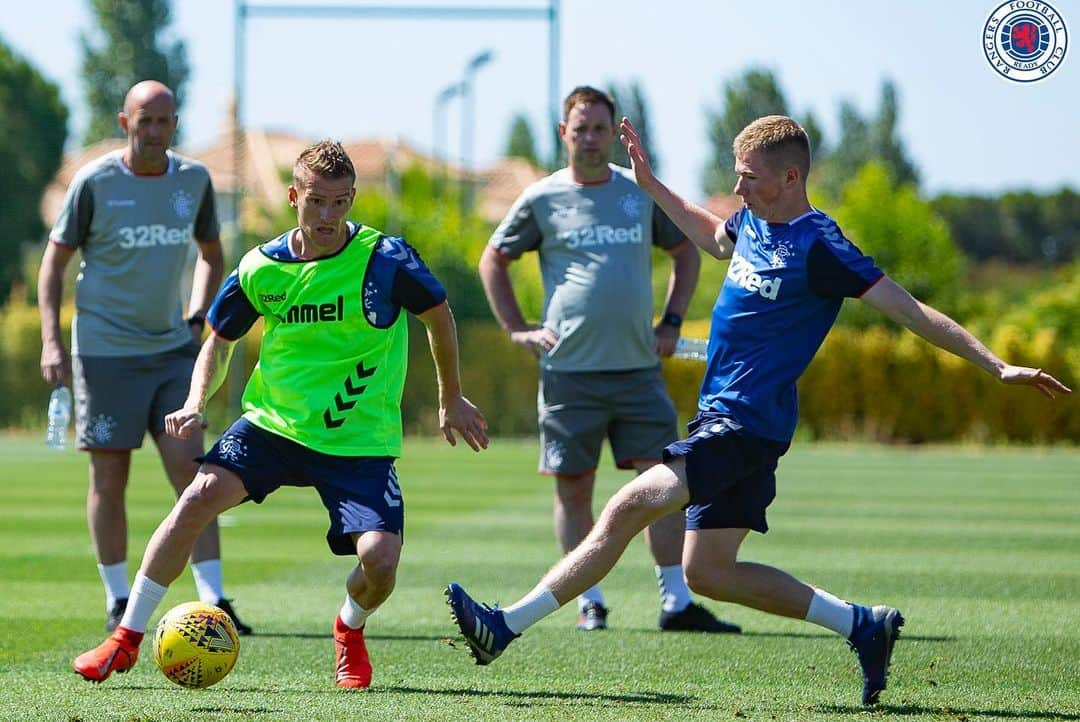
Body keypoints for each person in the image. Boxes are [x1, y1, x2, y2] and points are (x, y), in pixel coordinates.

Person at [448, 115, 1071, 705]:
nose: (736, 186)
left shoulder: (821, 245)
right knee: (710, 573)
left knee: (627, 505)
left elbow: (912, 312)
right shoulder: (749, 222)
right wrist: (650, 183)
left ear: (789, 178)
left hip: (744, 424)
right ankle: (864, 624)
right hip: (729, 420)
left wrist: (995, 365)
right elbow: (705, 233)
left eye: (747, 174)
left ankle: (504, 626)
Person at [71, 139, 489, 689]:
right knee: (195, 498)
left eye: (340, 202)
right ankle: (125, 639)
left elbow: (438, 315)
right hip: (273, 425)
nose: (328, 215)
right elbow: (218, 342)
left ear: (352, 199)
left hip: (357, 439)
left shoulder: (385, 260)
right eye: (316, 201)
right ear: (294, 196)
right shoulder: (260, 268)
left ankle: (349, 627)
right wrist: (196, 401)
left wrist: (449, 395)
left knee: (381, 563)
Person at [478, 85, 738, 634]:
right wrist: (518, 329)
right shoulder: (542, 198)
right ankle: (588, 600)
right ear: (562, 134)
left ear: (614, 131)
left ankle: (676, 601)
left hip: (638, 370)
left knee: (663, 483)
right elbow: (493, 260)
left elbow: (685, 250)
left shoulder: (636, 192)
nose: (591, 138)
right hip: (569, 374)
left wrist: (671, 322)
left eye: (600, 128)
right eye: (581, 128)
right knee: (573, 488)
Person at [38, 80, 250, 635]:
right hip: (105, 352)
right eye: (143, 120)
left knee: (196, 474)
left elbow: (211, 253)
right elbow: (53, 264)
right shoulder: (94, 183)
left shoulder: (194, 180)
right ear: (124, 121)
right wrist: (51, 340)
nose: (153, 130)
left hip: (171, 350)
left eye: (163, 121)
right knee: (110, 477)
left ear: (175, 124)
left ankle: (215, 599)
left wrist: (199, 314)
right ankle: (116, 596)